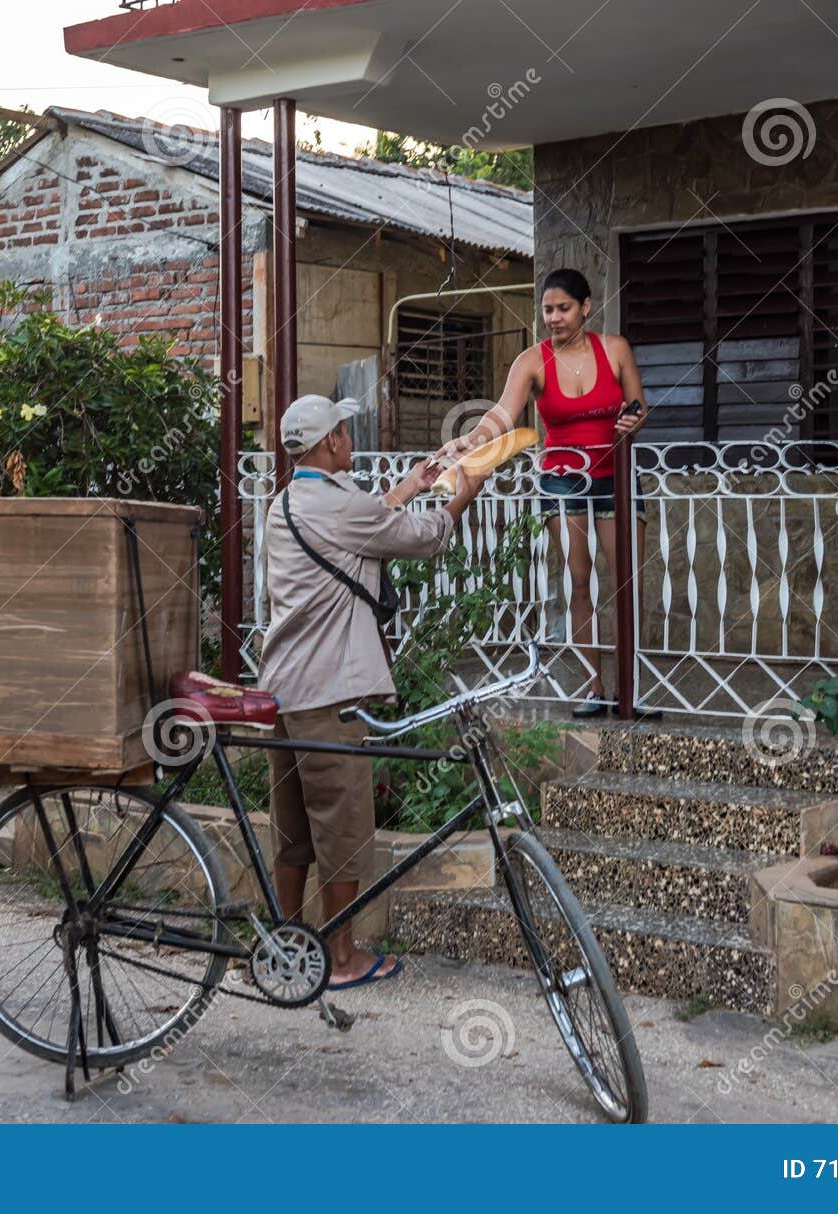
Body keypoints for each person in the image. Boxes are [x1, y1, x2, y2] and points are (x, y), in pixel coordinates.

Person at [258, 394, 485, 990]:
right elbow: (426, 536)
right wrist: (466, 489)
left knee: (292, 831)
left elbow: (361, 524)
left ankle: (283, 941)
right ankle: (340, 959)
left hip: (284, 691)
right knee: (342, 829)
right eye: (344, 429)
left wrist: (411, 483)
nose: (349, 437)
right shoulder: (341, 506)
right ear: (331, 442)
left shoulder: (284, 504)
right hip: (330, 693)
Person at [435, 267, 649, 718]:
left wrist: (633, 419)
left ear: (585, 307)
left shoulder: (615, 349)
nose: (554, 317)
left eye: (563, 308)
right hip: (562, 477)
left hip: (617, 477)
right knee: (578, 580)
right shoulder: (531, 361)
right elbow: (503, 415)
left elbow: (638, 407)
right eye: (548, 309)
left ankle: (632, 686)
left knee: (627, 583)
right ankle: (595, 687)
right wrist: (469, 440)